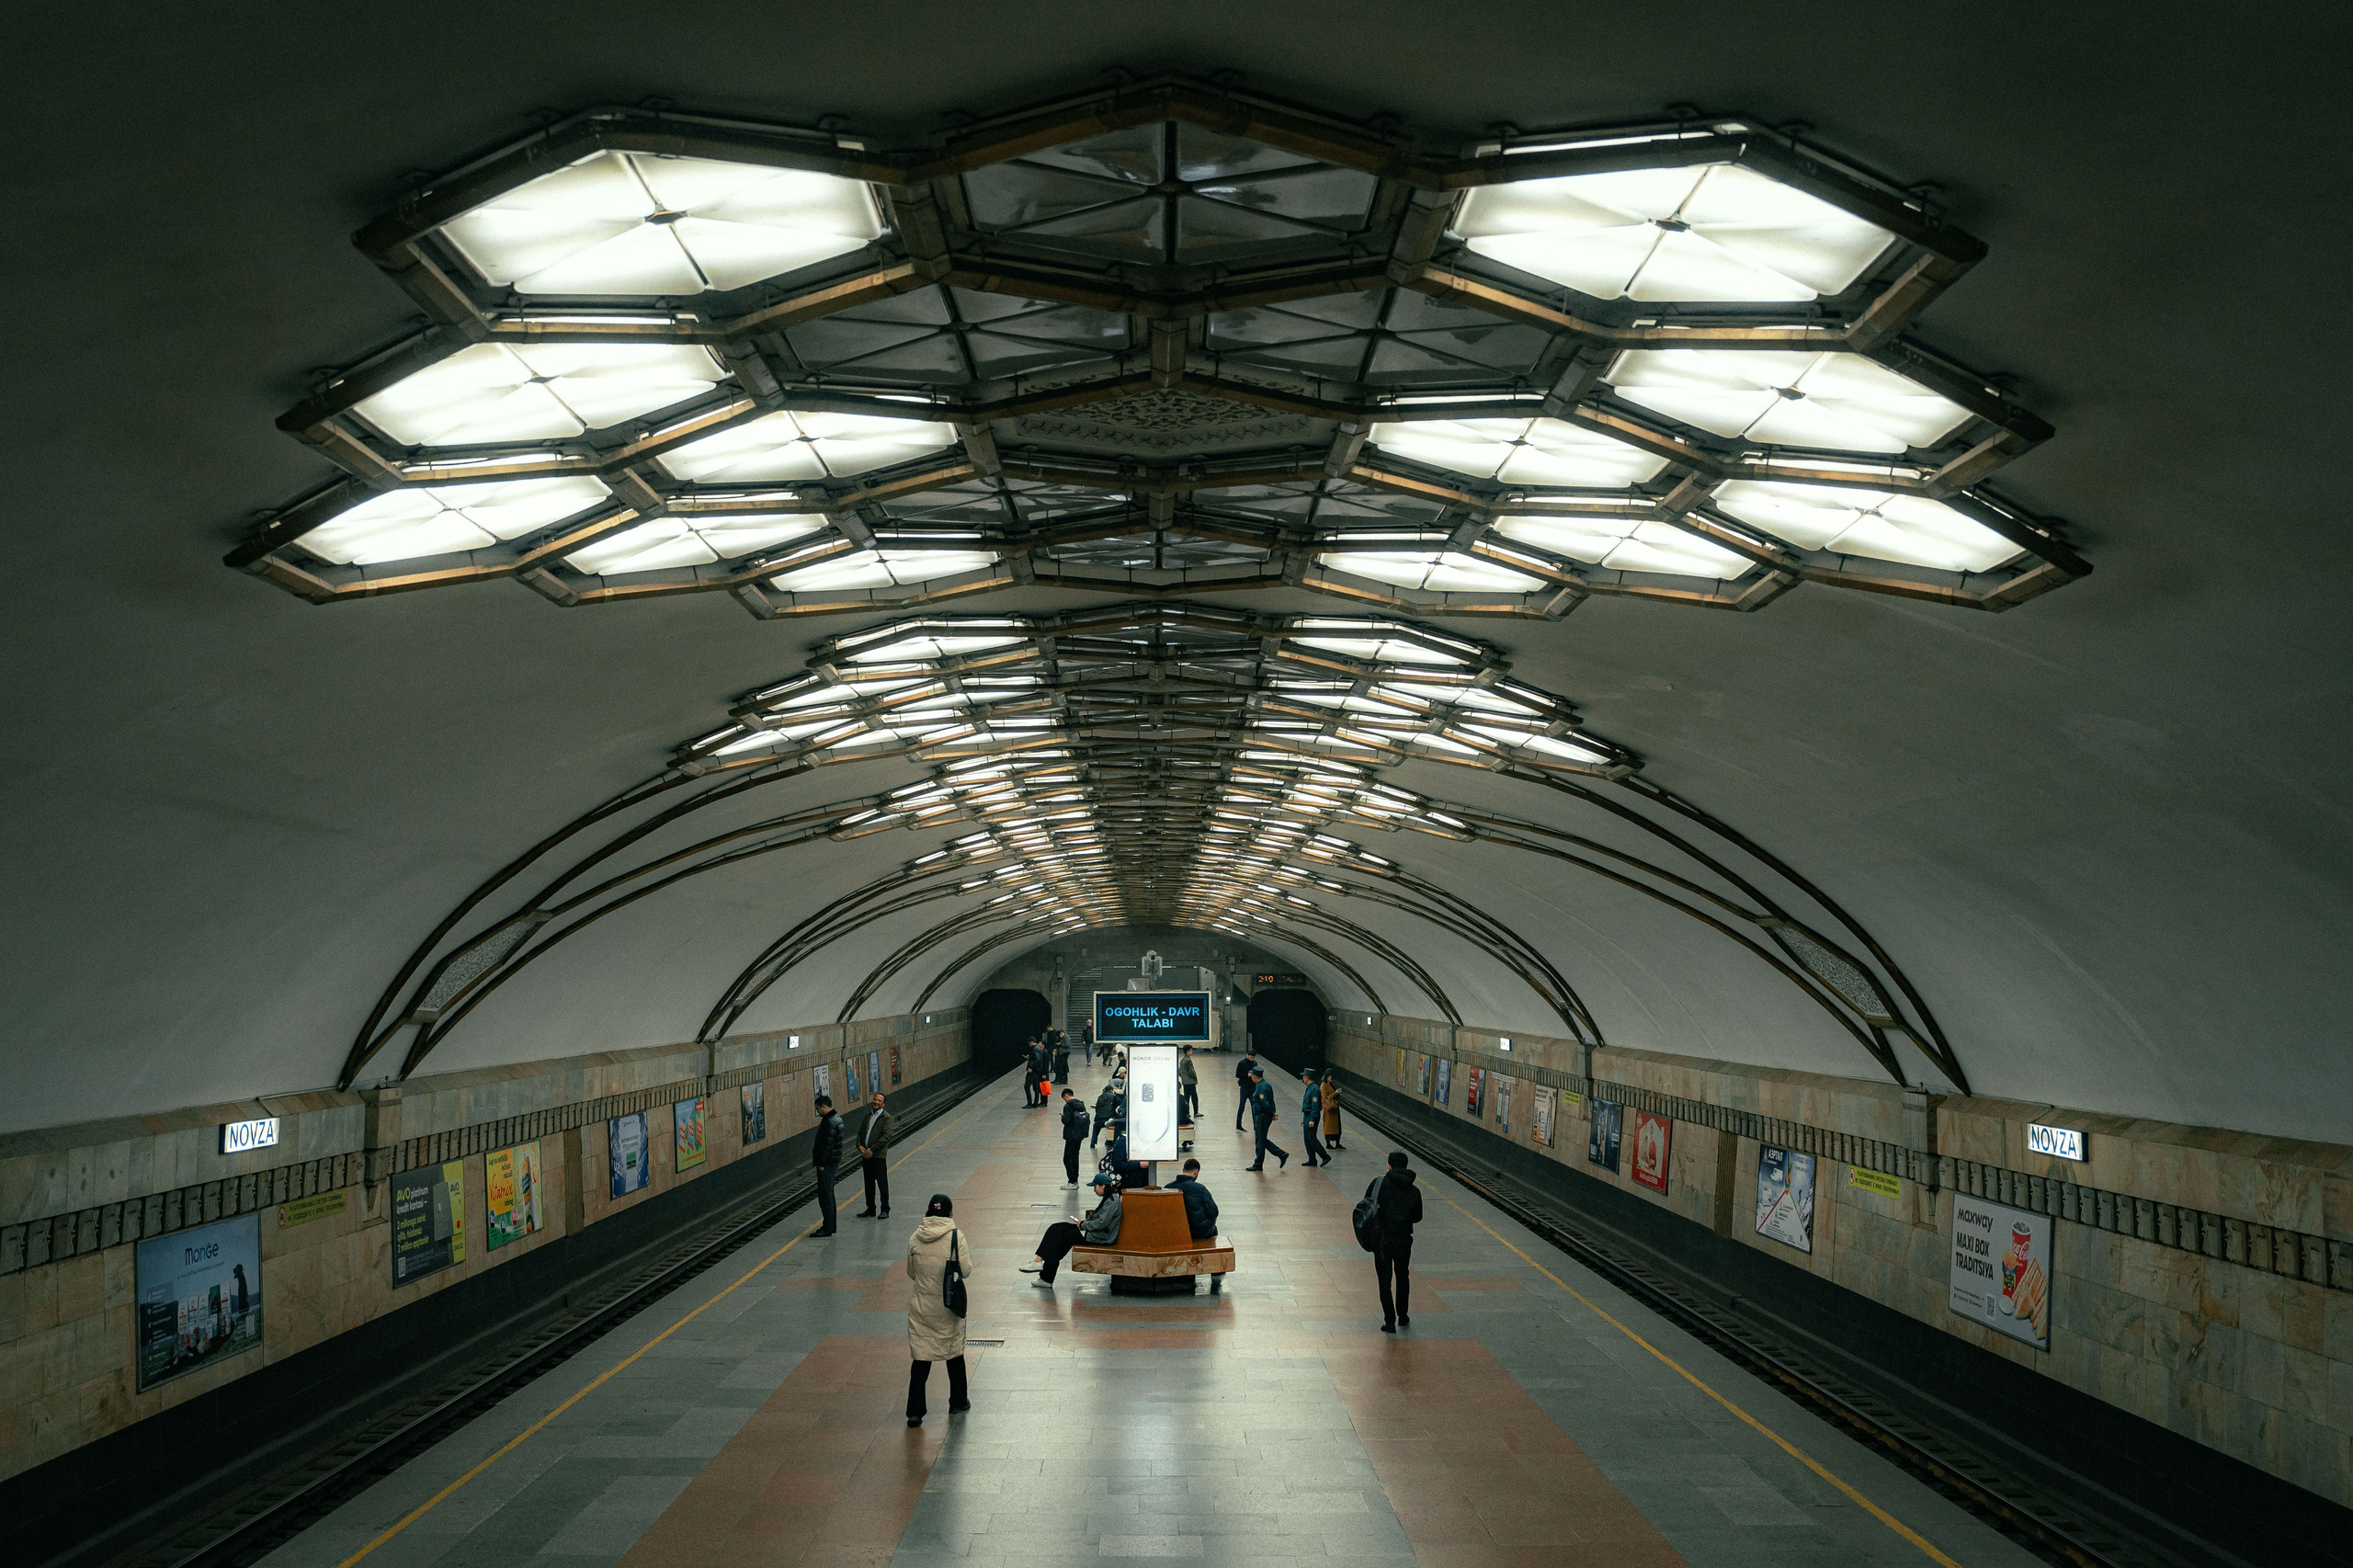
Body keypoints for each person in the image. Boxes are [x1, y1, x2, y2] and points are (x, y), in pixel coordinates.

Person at [904, 1194, 974, 1425]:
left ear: (929, 1212)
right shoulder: (956, 1237)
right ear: (950, 1213)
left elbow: (911, 1273)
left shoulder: (916, 1237)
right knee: (953, 1353)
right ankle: (958, 1401)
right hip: (948, 1305)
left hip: (922, 1307)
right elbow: (965, 1270)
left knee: (921, 1358)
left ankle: (915, 1412)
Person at [1019, 1171, 1123, 1286]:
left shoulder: (1111, 1203)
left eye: (1095, 1186)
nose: (1094, 1190)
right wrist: (1084, 1223)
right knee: (1057, 1228)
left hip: (1100, 1238)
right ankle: (1039, 1263)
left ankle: (1045, 1275)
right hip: (1094, 1233)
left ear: (1103, 1186)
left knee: (1065, 1238)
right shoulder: (1109, 1199)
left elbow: (1100, 1224)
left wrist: (1083, 1225)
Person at [1370, 1151, 1423, 1332]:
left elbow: (1367, 1207)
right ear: (1406, 1166)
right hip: (1404, 1240)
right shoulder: (1414, 1190)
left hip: (1383, 1240)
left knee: (1384, 1280)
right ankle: (1403, 1316)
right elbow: (1418, 1217)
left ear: (1389, 1165)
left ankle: (1389, 1321)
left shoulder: (1379, 1184)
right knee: (1402, 1277)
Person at [1169, 1156, 1223, 1295]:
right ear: (1196, 1172)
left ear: (1183, 1170)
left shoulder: (1168, 1188)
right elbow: (1214, 1211)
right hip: (1198, 1231)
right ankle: (1217, 1271)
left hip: (1175, 1232)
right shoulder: (1200, 1189)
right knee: (1214, 1231)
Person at [856, 1089, 893, 1219]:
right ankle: (870, 1208)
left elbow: (886, 1137)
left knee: (882, 1184)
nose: (876, 1102)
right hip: (866, 1156)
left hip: (878, 1157)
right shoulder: (868, 1116)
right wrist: (860, 1146)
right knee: (869, 1184)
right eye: (875, 1099)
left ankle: (885, 1209)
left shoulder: (887, 1118)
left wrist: (872, 1149)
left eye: (879, 1101)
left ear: (883, 1104)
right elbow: (860, 1133)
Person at [811, 1094, 844, 1234]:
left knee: (825, 1197)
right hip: (832, 1162)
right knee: (829, 1195)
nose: (817, 1112)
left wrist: (821, 1163)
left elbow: (828, 1145)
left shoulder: (830, 1122)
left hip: (827, 1164)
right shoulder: (836, 1119)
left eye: (818, 1109)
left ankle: (828, 1227)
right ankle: (831, 1225)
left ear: (824, 1107)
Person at [1246, 1068, 1289, 1172]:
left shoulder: (1261, 1088)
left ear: (1255, 1076)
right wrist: (1273, 1112)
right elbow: (1271, 1101)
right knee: (1263, 1139)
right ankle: (1281, 1154)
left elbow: (1265, 1103)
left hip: (1261, 1117)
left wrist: (1272, 1113)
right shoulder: (1266, 1085)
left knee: (1260, 1141)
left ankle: (1258, 1164)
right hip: (1265, 1116)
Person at [1059, 1087, 1089, 1187]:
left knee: (1067, 1158)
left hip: (1071, 1135)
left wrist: (1063, 1117)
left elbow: (1066, 1121)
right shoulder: (1081, 1104)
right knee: (1075, 1157)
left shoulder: (1068, 1106)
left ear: (1067, 1096)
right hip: (1079, 1134)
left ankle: (1072, 1181)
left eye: (1064, 1098)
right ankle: (1075, 1179)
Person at [1301, 1070, 1328, 1167]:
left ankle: (1325, 1156)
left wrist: (1312, 1119)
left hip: (1312, 1115)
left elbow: (1315, 1105)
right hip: (1307, 1115)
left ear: (1306, 1077)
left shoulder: (1314, 1089)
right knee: (1307, 1139)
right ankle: (1312, 1159)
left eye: (1303, 1076)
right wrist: (1305, 1118)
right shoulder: (1309, 1088)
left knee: (1311, 1138)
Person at [1091, 1075, 1122, 1149]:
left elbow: (1097, 1108)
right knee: (1115, 1125)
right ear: (1112, 1090)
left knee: (1096, 1127)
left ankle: (1093, 1143)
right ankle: (1110, 1142)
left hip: (1098, 1118)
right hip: (1109, 1118)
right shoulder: (1113, 1096)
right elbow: (1120, 1103)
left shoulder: (1100, 1097)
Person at [1233, 1049, 1259, 1130]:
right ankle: (1238, 1125)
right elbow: (1237, 1074)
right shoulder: (1242, 1063)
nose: (1252, 1059)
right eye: (1251, 1057)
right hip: (1244, 1087)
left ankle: (1256, 1126)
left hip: (1252, 1087)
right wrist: (1247, 1075)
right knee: (1242, 1106)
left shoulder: (1254, 1063)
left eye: (1253, 1058)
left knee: (1254, 1106)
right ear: (1247, 1055)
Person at [1322, 1074, 1346, 1151]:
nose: (1331, 1078)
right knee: (1328, 1126)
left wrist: (1337, 1093)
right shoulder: (1323, 1085)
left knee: (1337, 1126)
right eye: (1330, 1076)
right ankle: (1328, 1143)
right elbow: (1325, 1098)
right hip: (1329, 1109)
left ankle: (1337, 1143)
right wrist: (1335, 1093)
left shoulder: (1330, 1084)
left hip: (1334, 1108)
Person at [1177, 1046, 1200, 1122]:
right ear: (1187, 1052)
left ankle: (1187, 1112)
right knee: (1194, 1097)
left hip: (1185, 1082)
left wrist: (1184, 1078)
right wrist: (1194, 1077)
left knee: (1186, 1097)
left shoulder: (1182, 1060)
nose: (1192, 1052)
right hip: (1191, 1082)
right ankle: (1196, 1112)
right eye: (1191, 1050)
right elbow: (1191, 1071)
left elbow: (1179, 1071)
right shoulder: (1188, 1060)